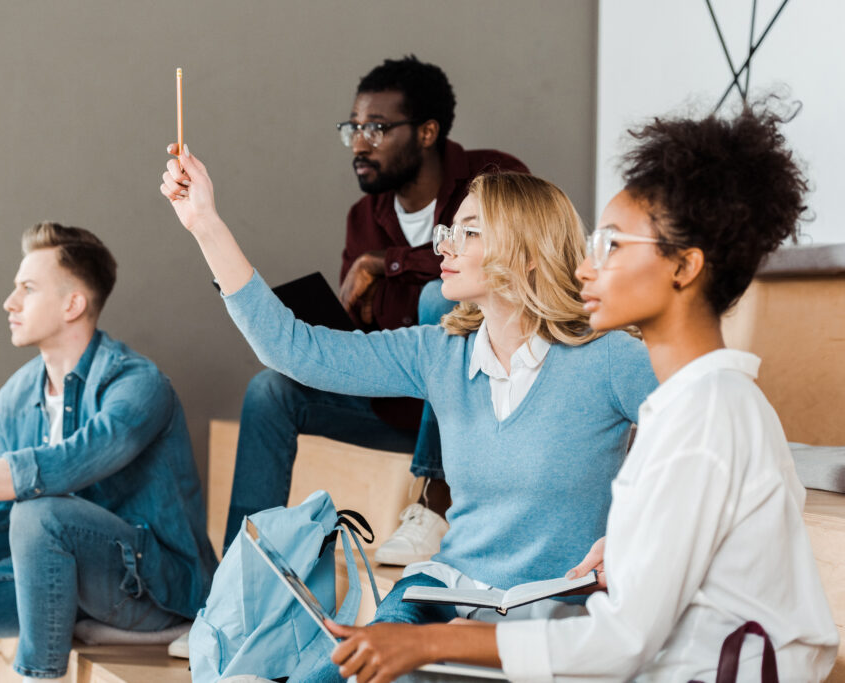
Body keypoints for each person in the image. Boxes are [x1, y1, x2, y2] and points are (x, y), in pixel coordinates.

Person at [324, 107, 841, 681]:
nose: (585, 268)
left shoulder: (706, 416)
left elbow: (623, 640)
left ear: (684, 267)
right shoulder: (692, 404)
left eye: (613, 246)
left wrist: (427, 645)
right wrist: (629, 547)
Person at [160, 143, 656, 681]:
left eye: (469, 231)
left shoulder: (609, 358)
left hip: (550, 611)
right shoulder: (439, 352)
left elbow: (691, 444)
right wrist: (205, 223)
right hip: (440, 593)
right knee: (335, 675)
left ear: (527, 251)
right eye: (450, 230)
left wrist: (632, 532)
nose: (446, 245)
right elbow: (294, 349)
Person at [0, 223, 218, 683]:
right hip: (48, 585)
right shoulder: (13, 398)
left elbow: (61, 467)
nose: (9, 303)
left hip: (148, 594)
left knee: (40, 513)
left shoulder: (139, 386)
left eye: (27, 289)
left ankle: (37, 677)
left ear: (73, 303)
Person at [225, 55, 530, 565]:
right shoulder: (364, 215)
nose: (360, 143)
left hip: (478, 402)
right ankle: (242, 577)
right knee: (270, 390)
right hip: (400, 402)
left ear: (427, 132)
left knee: (439, 299)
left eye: (377, 128)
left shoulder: (494, 179)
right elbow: (369, 328)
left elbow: (517, 266)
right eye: (354, 128)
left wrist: (388, 261)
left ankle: (434, 505)